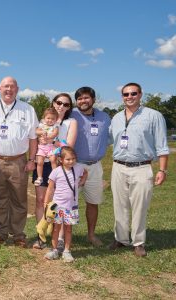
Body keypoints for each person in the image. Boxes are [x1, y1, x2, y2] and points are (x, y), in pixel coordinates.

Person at [109, 82, 169, 257]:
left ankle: (139, 242)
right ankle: (121, 239)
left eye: (133, 93)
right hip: (118, 166)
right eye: (126, 94)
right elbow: (108, 138)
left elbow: (162, 145)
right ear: (122, 97)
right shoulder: (116, 117)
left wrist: (162, 170)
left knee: (140, 207)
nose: (129, 97)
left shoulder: (154, 116)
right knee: (119, 205)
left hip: (142, 167)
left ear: (140, 95)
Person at [0, 76, 38, 248]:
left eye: (12, 86)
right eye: (5, 86)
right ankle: (0, 233)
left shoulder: (27, 109)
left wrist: (31, 160)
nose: (9, 89)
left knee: (19, 198)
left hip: (18, 161)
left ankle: (18, 235)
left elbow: (33, 138)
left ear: (17, 89)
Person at [32, 93, 77, 249]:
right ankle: (41, 235)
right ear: (53, 103)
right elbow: (35, 133)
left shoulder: (71, 122)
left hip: (60, 165)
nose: (61, 106)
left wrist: (52, 140)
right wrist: (43, 137)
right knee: (40, 200)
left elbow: (68, 146)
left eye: (66, 104)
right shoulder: (43, 121)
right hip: (42, 163)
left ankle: (59, 238)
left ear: (69, 107)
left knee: (61, 202)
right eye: (59, 102)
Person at [71, 86, 111, 247]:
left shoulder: (104, 117)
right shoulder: (71, 114)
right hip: (74, 165)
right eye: (80, 98)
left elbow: (109, 138)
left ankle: (91, 235)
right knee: (68, 202)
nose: (83, 101)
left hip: (95, 166)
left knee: (93, 202)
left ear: (93, 99)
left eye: (86, 98)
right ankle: (64, 237)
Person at [44, 146, 88, 263]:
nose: (71, 161)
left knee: (68, 229)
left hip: (71, 206)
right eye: (68, 159)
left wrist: (81, 182)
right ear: (61, 160)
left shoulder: (78, 168)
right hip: (58, 206)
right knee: (55, 229)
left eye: (73, 158)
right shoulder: (56, 172)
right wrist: (46, 203)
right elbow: (50, 189)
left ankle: (67, 251)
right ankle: (54, 250)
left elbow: (85, 173)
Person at [34, 107, 59, 186]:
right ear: (44, 118)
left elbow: (54, 134)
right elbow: (36, 131)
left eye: (53, 119)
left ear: (56, 120)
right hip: (42, 147)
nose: (50, 120)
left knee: (53, 160)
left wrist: (47, 137)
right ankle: (39, 177)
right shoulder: (41, 125)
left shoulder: (55, 126)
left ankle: (54, 177)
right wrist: (42, 131)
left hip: (51, 147)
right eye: (48, 118)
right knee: (40, 162)